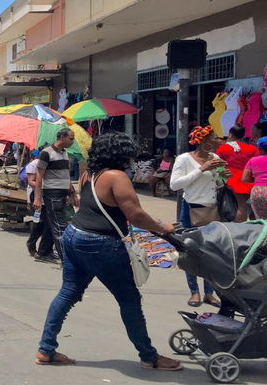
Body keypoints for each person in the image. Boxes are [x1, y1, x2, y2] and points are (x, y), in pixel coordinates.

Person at [35, 132, 182, 371]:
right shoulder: (116, 176)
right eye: (130, 155)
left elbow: (96, 208)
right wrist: (163, 227)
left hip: (74, 235)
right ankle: (149, 356)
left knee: (67, 293)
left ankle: (46, 349)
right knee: (129, 299)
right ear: (121, 154)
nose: (133, 160)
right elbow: (134, 214)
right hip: (100, 243)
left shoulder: (88, 174)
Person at [169, 125, 226, 308]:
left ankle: (209, 293)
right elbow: (175, 185)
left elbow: (216, 184)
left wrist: (223, 177)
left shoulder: (215, 158)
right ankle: (194, 292)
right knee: (190, 252)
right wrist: (202, 168)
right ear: (202, 141)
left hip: (211, 209)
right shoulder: (184, 159)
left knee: (210, 253)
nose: (218, 141)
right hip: (191, 210)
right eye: (215, 138)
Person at [33, 129, 79, 261]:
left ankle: (43, 252)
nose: (72, 141)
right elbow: (39, 176)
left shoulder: (64, 153)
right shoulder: (46, 153)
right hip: (52, 193)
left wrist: (73, 194)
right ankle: (67, 259)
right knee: (60, 226)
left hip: (63, 193)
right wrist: (37, 198)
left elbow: (66, 176)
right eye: (71, 138)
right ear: (62, 137)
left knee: (51, 223)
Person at [216, 125, 258, 222]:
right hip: (248, 180)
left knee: (241, 206)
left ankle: (238, 228)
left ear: (230, 134)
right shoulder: (252, 148)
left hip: (231, 180)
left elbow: (217, 162)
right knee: (243, 206)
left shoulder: (223, 148)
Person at [25, 149, 54, 261]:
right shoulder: (34, 164)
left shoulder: (53, 164)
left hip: (51, 195)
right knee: (42, 224)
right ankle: (32, 244)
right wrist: (43, 184)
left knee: (50, 224)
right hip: (38, 196)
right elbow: (31, 181)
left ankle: (47, 249)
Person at [241, 136, 267, 218]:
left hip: (258, 191)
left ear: (260, 149)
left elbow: (244, 178)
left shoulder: (253, 160)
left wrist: (257, 179)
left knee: (261, 219)